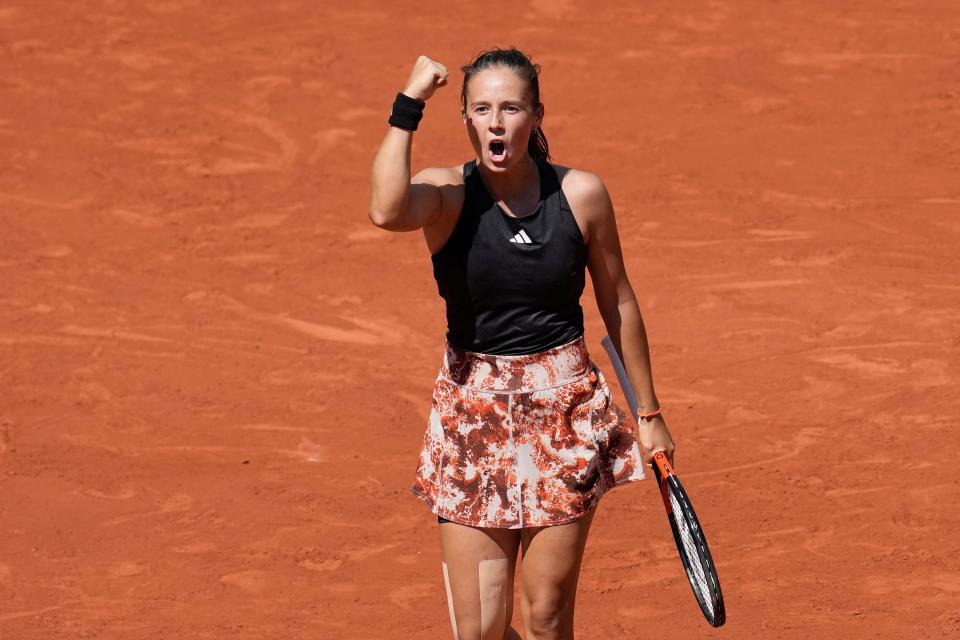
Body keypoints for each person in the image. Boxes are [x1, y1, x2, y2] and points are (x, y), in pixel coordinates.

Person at [368, 47, 675, 640]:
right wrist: (408, 105)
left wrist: (650, 411)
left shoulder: (581, 194)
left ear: (535, 115)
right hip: (472, 421)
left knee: (546, 618)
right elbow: (385, 210)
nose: (496, 121)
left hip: (561, 416)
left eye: (511, 107)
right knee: (481, 627)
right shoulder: (448, 194)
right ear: (465, 117)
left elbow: (619, 300)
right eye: (481, 109)